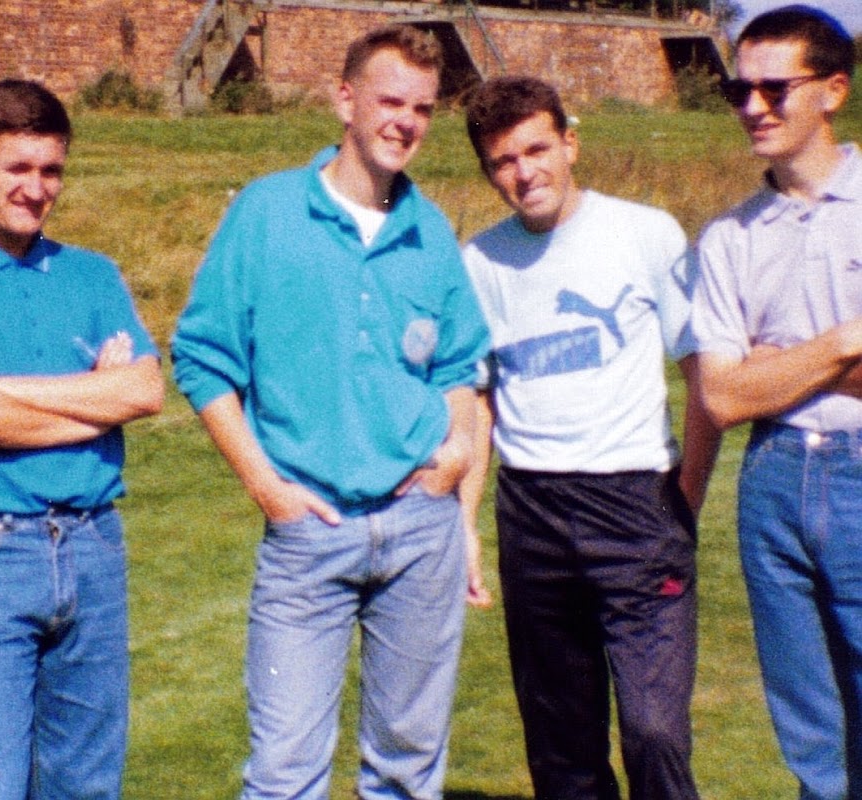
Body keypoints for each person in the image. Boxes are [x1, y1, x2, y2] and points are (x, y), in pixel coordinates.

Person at [170, 24, 491, 800]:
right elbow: (204, 360)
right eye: (390, 101)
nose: (405, 122)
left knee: (408, 772)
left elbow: (459, 370)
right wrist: (266, 488)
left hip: (420, 530)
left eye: (422, 108)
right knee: (284, 775)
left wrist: (455, 461)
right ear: (345, 100)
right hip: (308, 532)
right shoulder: (268, 212)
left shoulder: (430, 230)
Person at [0, 79, 164, 799]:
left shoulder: (92, 274)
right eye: (17, 167)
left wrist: (1, 391)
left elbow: (146, 391)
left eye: (51, 170)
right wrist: (96, 403)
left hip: (92, 544)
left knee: (86, 786)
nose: (36, 189)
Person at [461, 76, 721, 800]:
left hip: (637, 503)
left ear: (570, 145)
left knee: (654, 733)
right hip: (532, 513)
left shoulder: (645, 233)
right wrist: (466, 523)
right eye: (503, 161)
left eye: (537, 150)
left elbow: (705, 376)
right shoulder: (480, 262)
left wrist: (685, 499)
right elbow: (479, 402)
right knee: (561, 745)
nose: (524, 172)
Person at [691, 6, 861, 799]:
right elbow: (723, 395)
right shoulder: (729, 237)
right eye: (739, 90)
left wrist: (777, 366)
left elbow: (751, 380)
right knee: (808, 724)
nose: (753, 107)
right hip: (773, 478)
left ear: (833, 91)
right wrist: (841, 344)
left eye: (774, 89)